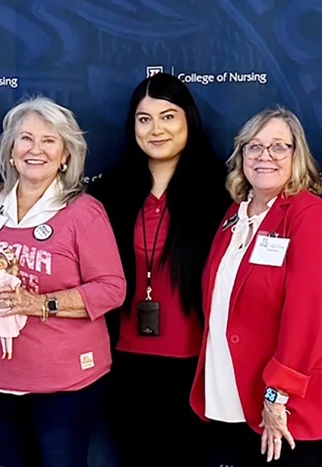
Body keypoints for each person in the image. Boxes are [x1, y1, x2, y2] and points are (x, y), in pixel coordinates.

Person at [191, 106, 322, 466]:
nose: (264, 156)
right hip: (238, 397)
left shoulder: (309, 215)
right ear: (240, 155)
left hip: (292, 405)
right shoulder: (234, 216)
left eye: (278, 147)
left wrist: (277, 394)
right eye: (253, 146)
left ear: (296, 155)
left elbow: (312, 313)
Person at [0, 96, 127, 467]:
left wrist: (41, 305)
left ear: (66, 155)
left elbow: (112, 288)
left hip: (64, 382)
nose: (35, 149)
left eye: (49, 141)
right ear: (10, 150)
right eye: (25, 139)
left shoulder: (83, 211)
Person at [87, 72, 230, 467]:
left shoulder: (223, 192)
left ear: (189, 121)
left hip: (197, 362)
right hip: (126, 361)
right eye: (144, 118)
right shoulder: (108, 193)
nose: (156, 129)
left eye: (168, 116)